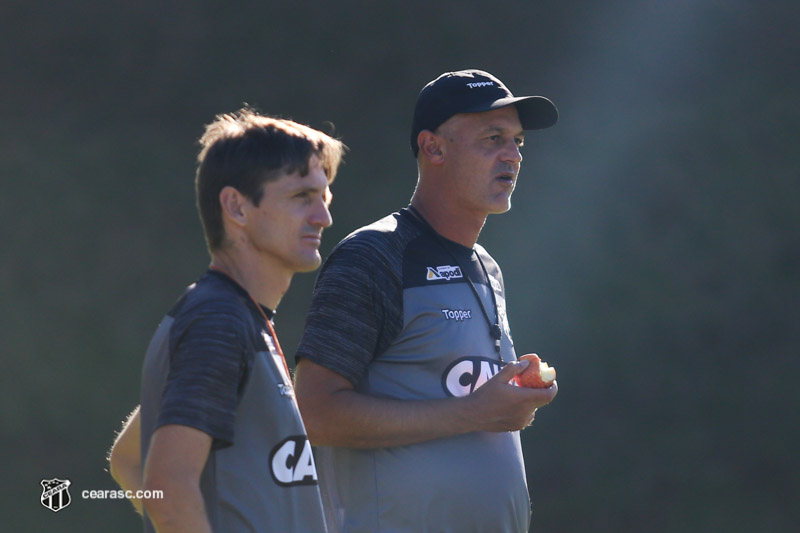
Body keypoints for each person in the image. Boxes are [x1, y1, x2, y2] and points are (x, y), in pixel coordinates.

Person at [293, 69, 559, 533]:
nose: (512, 156)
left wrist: (509, 401)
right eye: (492, 138)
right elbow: (314, 413)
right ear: (433, 147)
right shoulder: (373, 256)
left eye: (518, 141)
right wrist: (474, 412)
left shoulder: (486, 266)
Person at [107, 108, 346, 532]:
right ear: (236, 206)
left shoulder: (236, 317)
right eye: (301, 197)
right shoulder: (218, 321)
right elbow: (167, 486)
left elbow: (130, 459)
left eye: (323, 198)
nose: (323, 217)